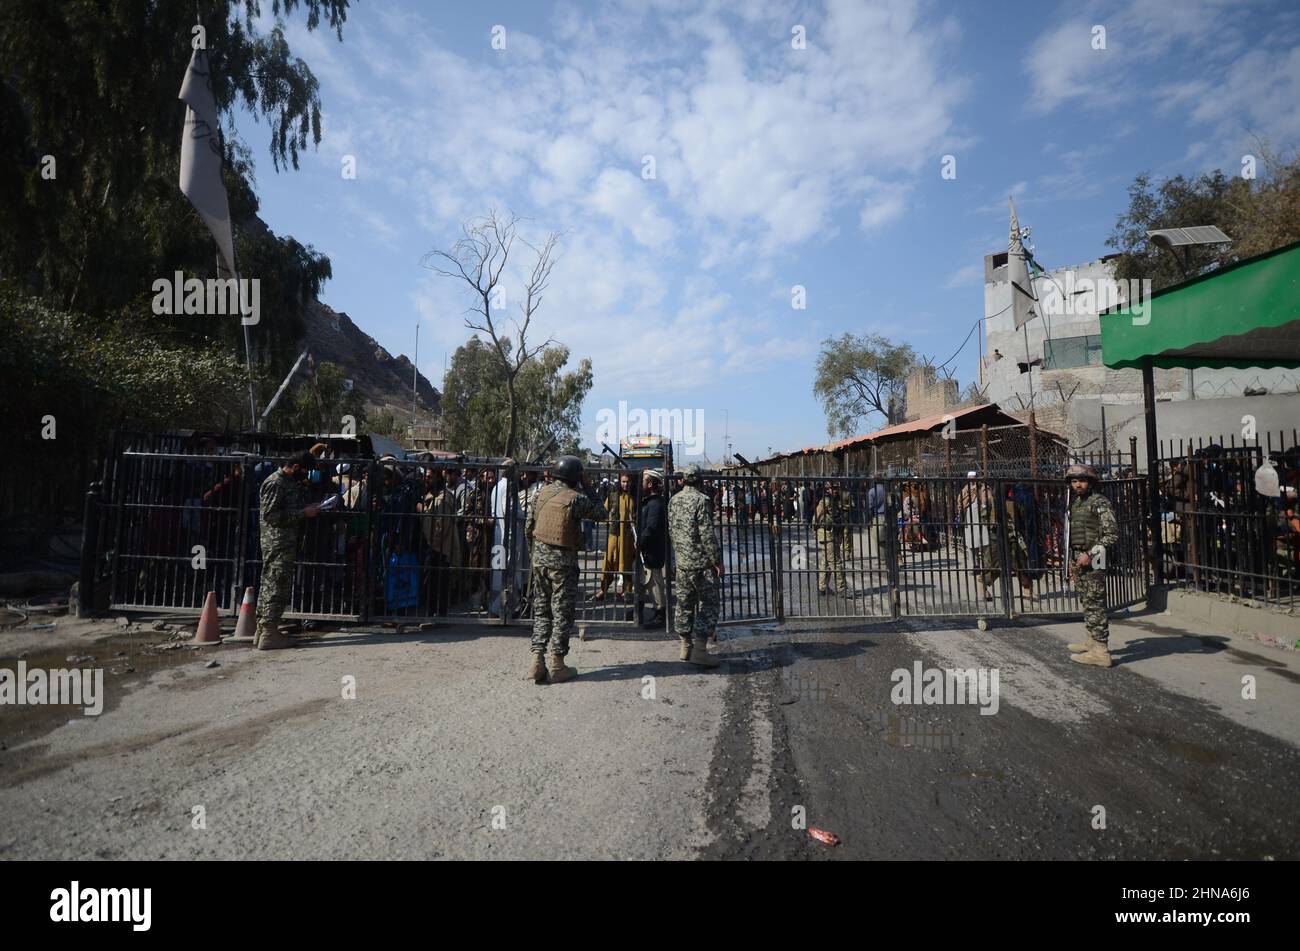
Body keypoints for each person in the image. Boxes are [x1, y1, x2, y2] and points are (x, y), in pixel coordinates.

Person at [525, 455, 606, 684]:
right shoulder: (577, 498)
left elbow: (529, 527)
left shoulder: (540, 493)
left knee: (541, 610)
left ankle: (536, 661)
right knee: (562, 613)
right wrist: (589, 486)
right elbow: (601, 513)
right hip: (563, 564)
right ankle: (557, 664)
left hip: (539, 561)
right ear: (576, 477)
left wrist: (535, 555)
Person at [255, 452, 320, 650]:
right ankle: (268, 631)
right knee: (276, 583)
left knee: (274, 582)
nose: (306, 475)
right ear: (296, 466)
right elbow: (271, 516)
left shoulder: (288, 482)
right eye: (306, 470)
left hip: (285, 542)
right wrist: (303, 513)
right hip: (278, 543)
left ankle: (264, 628)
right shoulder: (276, 482)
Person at [668, 464, 724, 666]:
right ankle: (700, 650)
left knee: (684, 605)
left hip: (682, 563)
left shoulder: (673, 501)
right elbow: (707, 534)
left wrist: (677, 558)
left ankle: (685, 647)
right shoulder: (702, 501)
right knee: (709, 604)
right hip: (701, 564)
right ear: (700, 480)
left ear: (683, 480)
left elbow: (672, 532)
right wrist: (716, 561)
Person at [1065, 463, 1119, 667]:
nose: (1078, 485)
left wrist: (1090, 553)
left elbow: (1111, 535)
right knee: (1087, 600)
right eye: (1074, 481)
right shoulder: (1078, 502)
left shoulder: (1099, 502)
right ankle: (1092, 641)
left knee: (1095, 603)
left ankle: (1101, 651)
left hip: (1095, 557)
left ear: (1091, 482)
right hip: (1080, 556)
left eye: (1082, 480)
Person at [595, 470, 638, 600]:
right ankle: (603, 589)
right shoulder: (613, 495)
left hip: (629, 537)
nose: (626, 484)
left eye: (628, 481)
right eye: (623, 481)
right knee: (608, 561)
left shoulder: (635, 497)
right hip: (614, 534)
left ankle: (627, 591)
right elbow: (604, 511)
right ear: (620, 482)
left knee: (627, 563)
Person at [636, 470, 668, 627]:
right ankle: (639, 610)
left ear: (650, 484)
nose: (641, 484)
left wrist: (640, 543)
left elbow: (651, 528)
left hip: (652, 550)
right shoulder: (649, 501)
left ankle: (660, 613)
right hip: (647, 550)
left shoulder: (655, 504)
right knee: (644, 581)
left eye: (643, 481)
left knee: (655, 582)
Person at [814, 482, 852, 596]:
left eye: (836, 488)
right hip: (827, 534)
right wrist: (815, 531)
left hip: (833, 534)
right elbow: (816, 517)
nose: (835, 490)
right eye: (832, 488)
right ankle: (841, 589)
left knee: (825, 562)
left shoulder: (838, 501)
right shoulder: (825, 501)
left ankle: (822, 587)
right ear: (828, 489)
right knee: (836, 562)